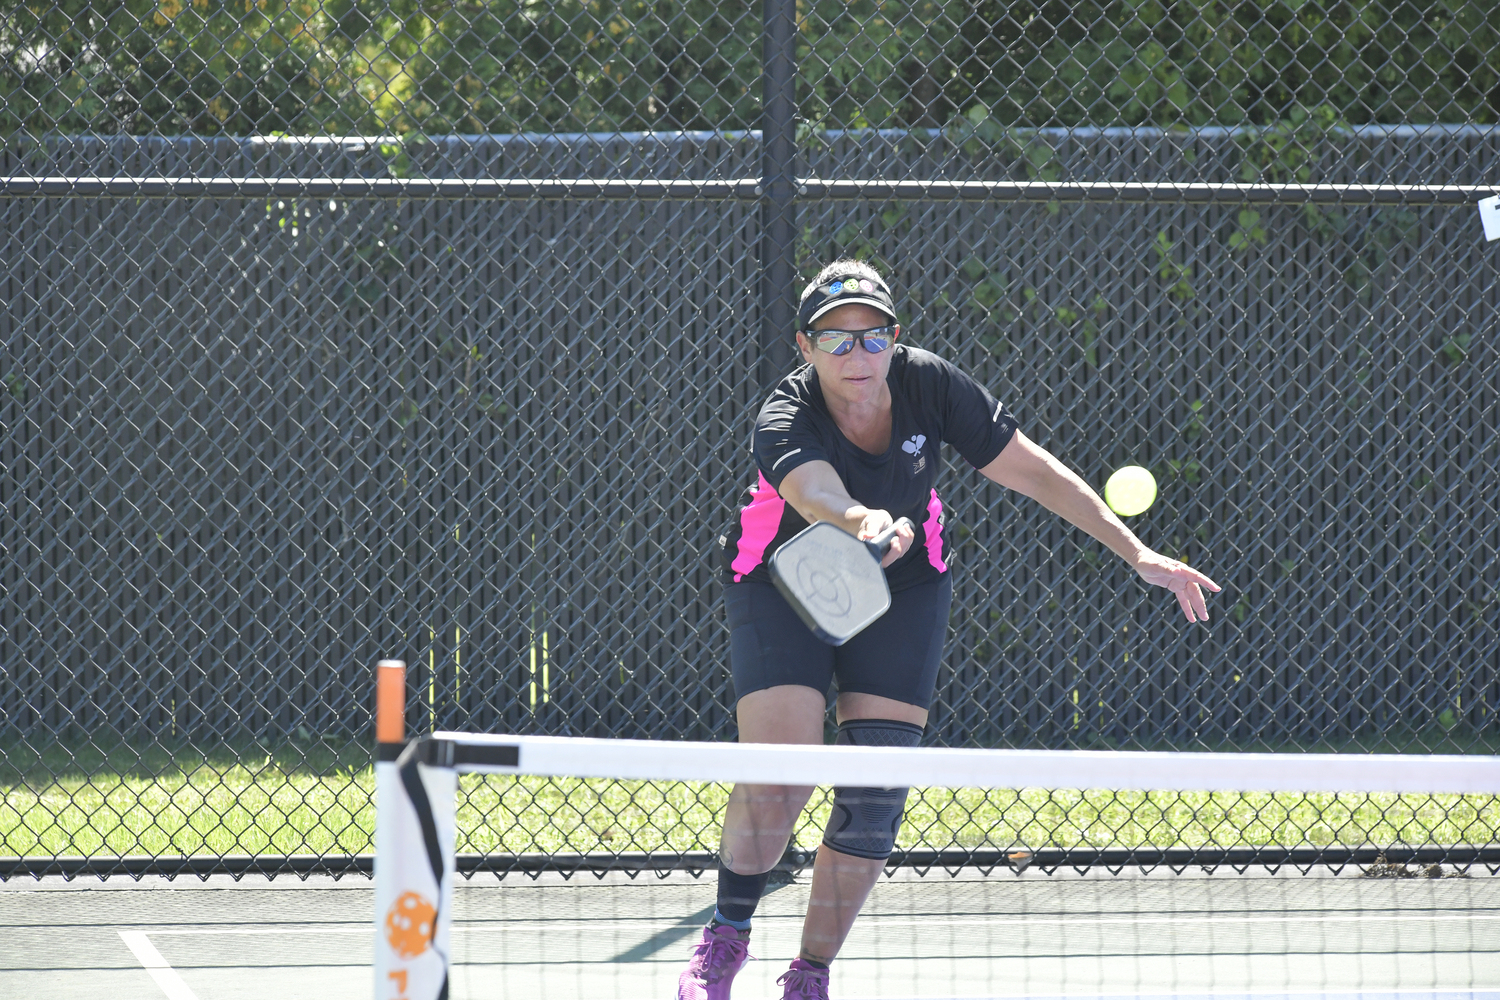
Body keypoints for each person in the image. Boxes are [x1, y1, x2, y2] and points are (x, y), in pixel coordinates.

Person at [679, 259, 1220, 1000]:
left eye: (872, 338)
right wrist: (865, 519)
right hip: (786, 575)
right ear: (804, 348)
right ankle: (726, 938)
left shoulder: (931, 384)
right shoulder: (785, 415)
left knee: (876, 790)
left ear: (894, 339)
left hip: (907, 581)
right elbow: (812, 493)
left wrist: (1137, 551)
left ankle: (808, 976)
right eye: (834, 341)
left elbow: (1032, 472)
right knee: (783, 769)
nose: (856, 356)